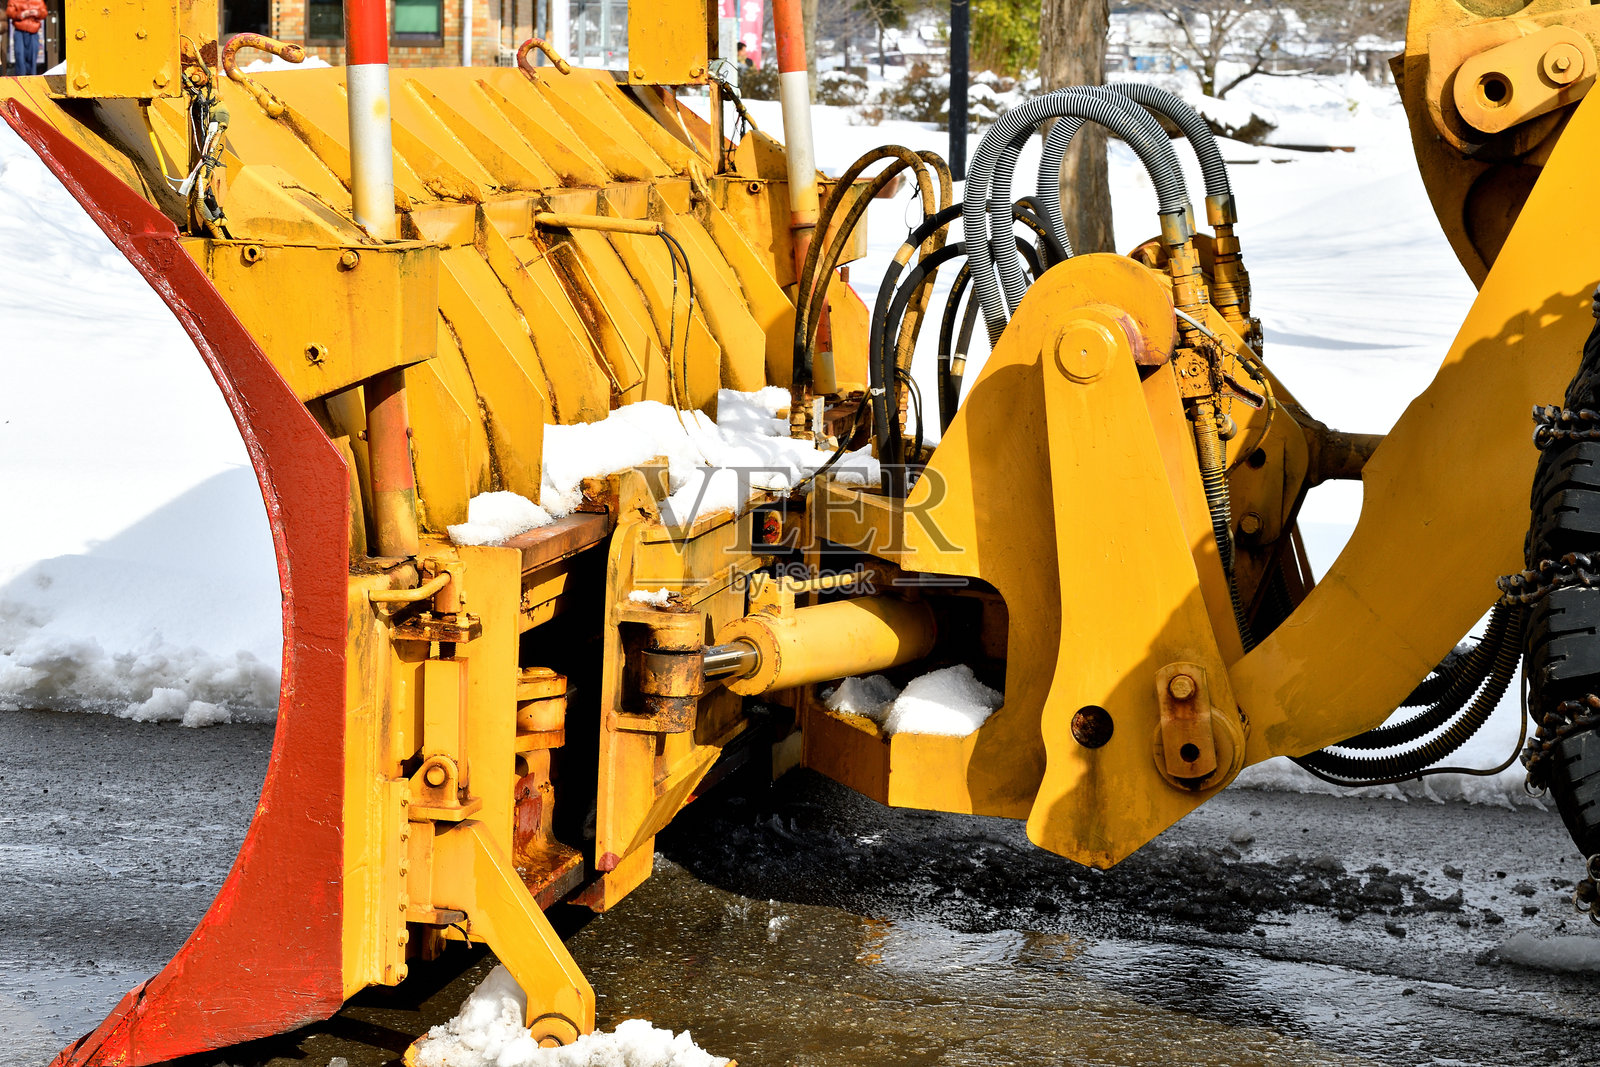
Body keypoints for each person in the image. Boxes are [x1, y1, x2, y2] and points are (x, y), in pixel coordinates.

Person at [7, 0, 46, 76]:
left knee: (32, 57)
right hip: (19, 30)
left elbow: (44, 12)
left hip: (33, 31)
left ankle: (31, 81)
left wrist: (37, 13)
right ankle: (20, 80)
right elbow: (9, 12)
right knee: (19, 56)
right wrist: (21, 14)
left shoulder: (38, 1)